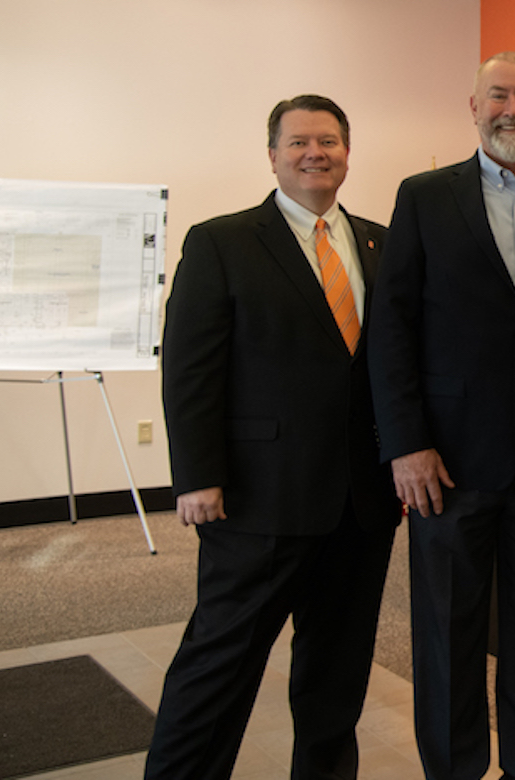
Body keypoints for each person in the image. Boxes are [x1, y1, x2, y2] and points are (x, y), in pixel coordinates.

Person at [146, 95, 400, 780]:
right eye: (298, 143)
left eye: (328, 142)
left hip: (360, 506)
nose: (315, 153)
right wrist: (197, 475)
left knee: (336, 679)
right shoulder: (221, 240)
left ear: (347, 152)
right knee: (218, 668)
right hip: (259, 503)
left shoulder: (381, 241)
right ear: (272, 156)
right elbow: (190, 369)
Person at [368, 53, 515, 780]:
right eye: (499, 95)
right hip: (447, 469)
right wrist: (405, 445)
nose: (512, 109)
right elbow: (392, 328)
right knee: (448, 644)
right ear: (473, 105)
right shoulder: (426, 197)